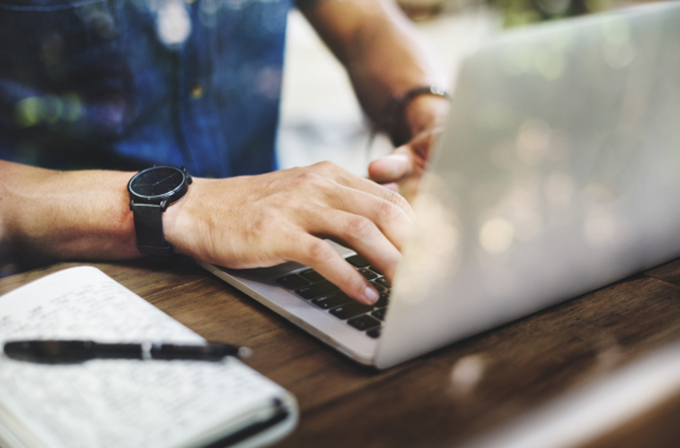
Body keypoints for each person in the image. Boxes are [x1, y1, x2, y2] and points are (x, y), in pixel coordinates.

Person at [0, 0, 449, 305]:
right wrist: (182, 208)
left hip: (273, 267)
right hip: (55, 289)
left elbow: (365, 23)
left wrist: (428, 110)